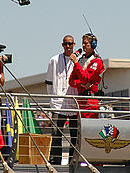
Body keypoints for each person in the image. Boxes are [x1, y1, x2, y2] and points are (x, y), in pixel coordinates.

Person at [45, 35, 78, 165]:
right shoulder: (54, 60)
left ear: (74, 45)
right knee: (56, 133)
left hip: (74, 104)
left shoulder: (78, 60)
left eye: (70, 44)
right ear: (62, 45)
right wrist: (53, 98)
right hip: (58, 103)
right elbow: (49, 82)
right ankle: (55, 161)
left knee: (74, 135)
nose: (68, 46)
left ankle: (72, 161)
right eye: (66, 44)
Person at [69, 33, 105, 118]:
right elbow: (71, 81)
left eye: (86, 43)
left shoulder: (97, 61)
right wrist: (81, 84)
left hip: (91, 101)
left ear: (93, 44)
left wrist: (76, 63)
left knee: (90, 128)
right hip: (80, 100)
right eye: (83, 43)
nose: (83, 45)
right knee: (80, 129)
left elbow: (86, 77)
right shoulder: (80, 60)